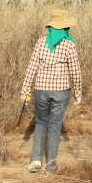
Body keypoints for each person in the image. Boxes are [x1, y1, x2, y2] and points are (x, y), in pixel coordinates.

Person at [20, 10, 82, 174]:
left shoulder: (41, 42)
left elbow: (32, 67)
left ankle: (35, 160)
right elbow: (75, 71)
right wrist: (78, 94)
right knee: (55, 127)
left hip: (41, 89)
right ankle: (51, 166)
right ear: (65, 27)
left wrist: (25, 90)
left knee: (41, 123)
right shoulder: (69, 44)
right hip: (60, 91)